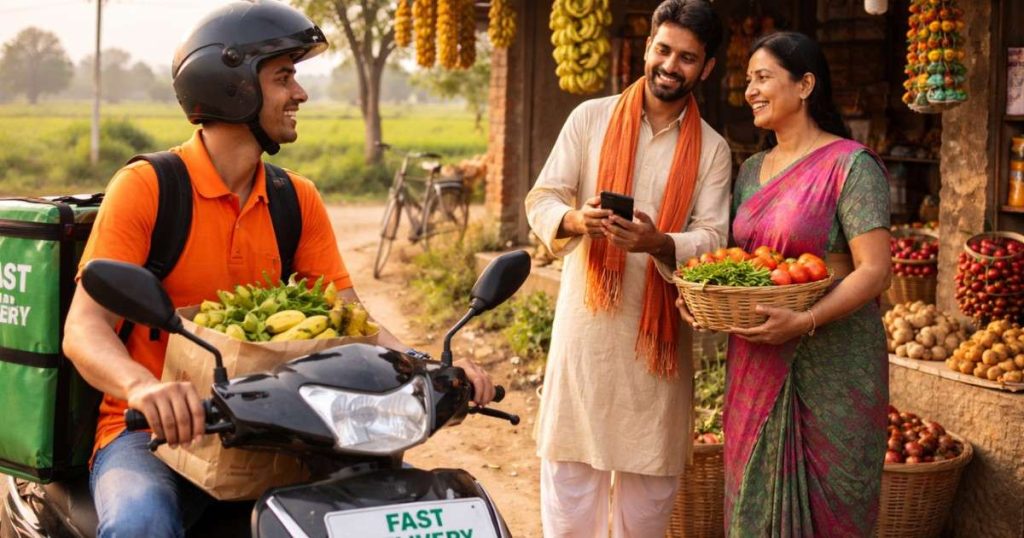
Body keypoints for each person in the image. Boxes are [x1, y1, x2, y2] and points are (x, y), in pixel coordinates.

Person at [62, 2, 494, 536]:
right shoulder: (149, 188)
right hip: (154, 432)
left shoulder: (295, 199)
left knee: (384, 509)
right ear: (233, 85)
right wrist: (142, 388)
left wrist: (425, 364)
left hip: (278, 428)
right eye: (284, 77)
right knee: (141, 522)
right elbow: (84, 329)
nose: (300, 93)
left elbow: (352, 321)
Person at [525, 1, 731, 535]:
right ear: (647, 48)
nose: (670, 65)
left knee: (646, 513)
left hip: (655, 354)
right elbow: (542, 197)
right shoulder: (590, 118)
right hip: (586, 336)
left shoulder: (712, 150)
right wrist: (576, 218)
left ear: (705, 69)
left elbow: (715, 237)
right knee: (570, 505)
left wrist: (658, 241)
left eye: (687, 57)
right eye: (663, 50)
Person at [677, 31, 892, 536]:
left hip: (835, 362)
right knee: (753, 495)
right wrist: (703, 295)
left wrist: (806, 318)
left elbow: (875, 270)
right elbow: (742, 263)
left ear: (806, 85)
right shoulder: (751, 170)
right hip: (758, 356)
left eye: (764, 77)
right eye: (747, 79)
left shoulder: (851, 166)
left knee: (834, 506)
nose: (750, 89)